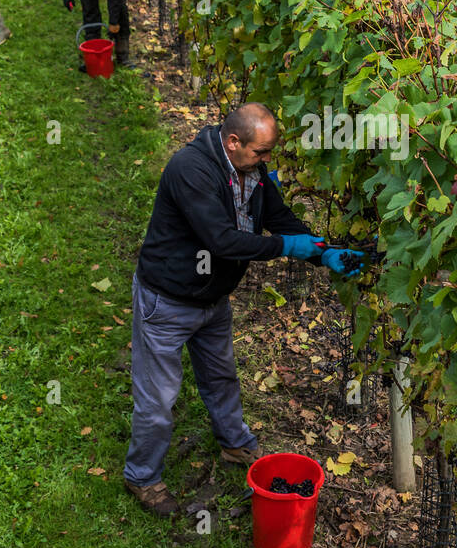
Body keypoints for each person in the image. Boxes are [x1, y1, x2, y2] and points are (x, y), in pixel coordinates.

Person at [124, 104, 365, 516]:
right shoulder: (190, 170)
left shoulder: (251, 169)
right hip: (168, 300)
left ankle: (235, 444)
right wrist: (287, 248)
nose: (267, 161)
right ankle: (142, 476)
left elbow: (278, 217)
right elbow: (222, 240)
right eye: (261, 152)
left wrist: (321, 252)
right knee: (158, 398)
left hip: (213, 299)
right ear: (233, 142)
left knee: (221, 377)